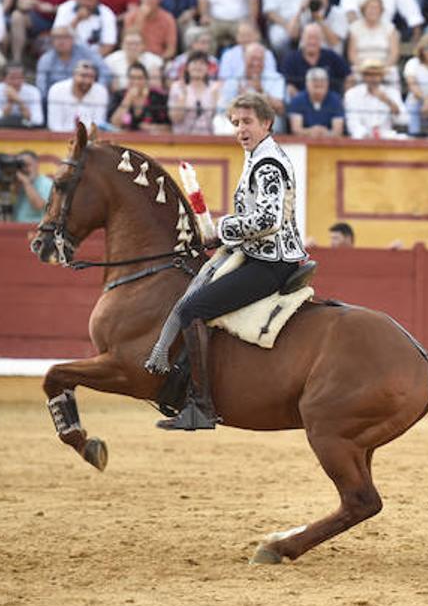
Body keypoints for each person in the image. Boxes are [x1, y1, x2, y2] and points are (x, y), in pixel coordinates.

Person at [146, 92, 313, 430]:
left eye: (247, 121)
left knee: (193, 308)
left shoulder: (267, 163)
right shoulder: (258, 156)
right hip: (258, 254)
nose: (240, 129)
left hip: (270, 263)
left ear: (266, 123)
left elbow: (268, 220)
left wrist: (222, 227)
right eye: (235, 123)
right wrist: (225, 235)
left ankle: (201, 406)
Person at [345, 58, 409, 138]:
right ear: (363, 76)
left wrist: (388, 101)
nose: (373, 78)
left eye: (376, 74)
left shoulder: (392, 92)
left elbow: (404, 120)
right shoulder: (352, 94)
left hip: (386, 136)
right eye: (369, 74)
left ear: (382, 76)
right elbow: (352, 122)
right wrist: (364, 135)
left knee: (404, 138)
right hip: (361, 138)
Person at [281, 23, 351, 94]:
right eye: (309, 38)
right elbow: (289, 86)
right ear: (302, 39)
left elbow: (349, 76)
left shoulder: (331, 56)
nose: (312, 41)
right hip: (302, 102)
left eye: (316, 38)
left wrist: (344, 96)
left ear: (321, 40)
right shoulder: (291, 59)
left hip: (330, 102)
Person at [54, 0, 119, 57]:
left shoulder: (106, 13)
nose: (85, 3)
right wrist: (77, 20)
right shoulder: (65, 8)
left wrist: (91, 60)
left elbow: (108, 44)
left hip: (95, 57)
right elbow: (58, 36)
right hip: (67, 55)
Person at [46, 59, 110, 132]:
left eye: (91, 77)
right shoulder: (57, 89)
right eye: (83, 76)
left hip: (89, 140)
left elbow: (98, 124)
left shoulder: (100, 91)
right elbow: (54, 125)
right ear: (73, 75)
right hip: (60, 139)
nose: (87, 81)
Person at [168, 51, 222, 134]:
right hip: (183, 139)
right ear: (187, 67)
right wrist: (183, 96)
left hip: (210, 139)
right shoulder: (177, 86)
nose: (198, 67)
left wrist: (216, 101)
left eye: (202, 63)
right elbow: (175, 118)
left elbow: (220, 120)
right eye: (194, 63)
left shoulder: (215, 87)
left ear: (208, 68)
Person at [111, 61, 171, 133]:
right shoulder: (119, 95)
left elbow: (169, 127)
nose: (136, 82)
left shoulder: (158, 97)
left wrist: (151, 127)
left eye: (140, 78)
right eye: (132, 78)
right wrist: (128, 98)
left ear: (146, 79)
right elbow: (114, 124)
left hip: (151, 141)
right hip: (124, 140)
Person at [287, 67, 346, 137]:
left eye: (321, 86)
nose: (318, 90)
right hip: (303, 141)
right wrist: (310, 131)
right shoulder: (298, 100)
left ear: (327, 84)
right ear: (307, 84)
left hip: (330, 142)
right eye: (315, 86)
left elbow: (338, 131)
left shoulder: (335, 100)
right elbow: (296, 130)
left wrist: (326, 133)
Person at [0, 62, 44, 128]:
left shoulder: (33, 91)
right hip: (0, 131)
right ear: (3, 79)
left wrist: (20, 102)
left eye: (20, 78)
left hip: (25, 131)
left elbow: (38, 121)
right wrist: (10, 103)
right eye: (12, 78)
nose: (16, 82)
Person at [12, 150, 54, 224]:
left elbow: (39, 205)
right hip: (16, 229)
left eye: (27, 165)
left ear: (37, 165)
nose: (24, 169)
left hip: (35, 230)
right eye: (21, 166)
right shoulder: (19, 183)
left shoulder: (46, 183)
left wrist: (26, 183)